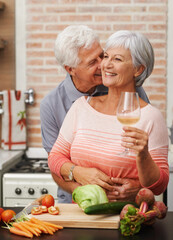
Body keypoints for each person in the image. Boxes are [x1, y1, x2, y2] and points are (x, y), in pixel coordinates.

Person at [48, 30, 169, 201]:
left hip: (124, 218)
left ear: (138, 69)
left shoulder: (151, 117)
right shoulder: (81, 107)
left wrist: (143, 156)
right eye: (106, 56)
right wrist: (78, 173)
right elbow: (54, 158)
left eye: (117, 59)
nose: (106, 65)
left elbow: (159, 186)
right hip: (80, 216)